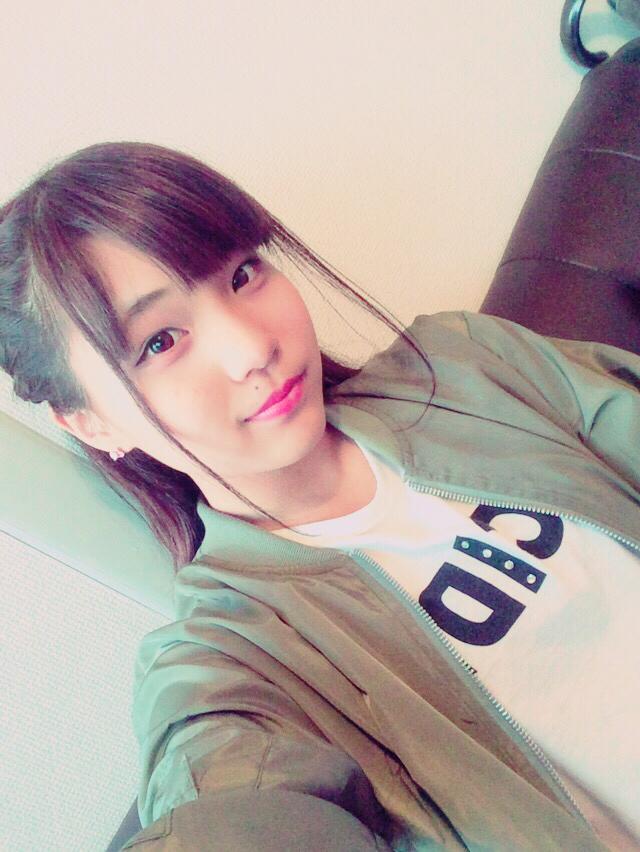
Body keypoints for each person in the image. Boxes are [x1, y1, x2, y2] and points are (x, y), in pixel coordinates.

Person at [1, 141, 639, 851]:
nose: (252, 348)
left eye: (243, 273)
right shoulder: (228, 661)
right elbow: (239, 807)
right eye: (159, 342)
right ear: (90, 422)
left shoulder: (468, 363)